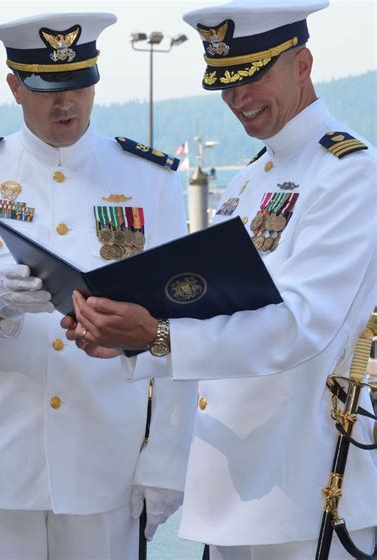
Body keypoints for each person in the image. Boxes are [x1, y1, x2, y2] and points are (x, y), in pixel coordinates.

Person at [62, 1, 377, 558]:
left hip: (303, 489)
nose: (238, 99)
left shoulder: (348, 173)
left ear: (302, 64)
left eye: (254, 77)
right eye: (226, 85)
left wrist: (157, 336)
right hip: (234, 488)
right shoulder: (253, 177)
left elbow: (302, 326)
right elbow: (214, 305)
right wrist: (126, 336)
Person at [0, 12, 197, 560]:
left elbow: (177, 326)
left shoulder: (149, 179)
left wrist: (166, 461)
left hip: (103, 470)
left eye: (80, 85)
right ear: (15, 88)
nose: (67, 104)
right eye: (47, 90)